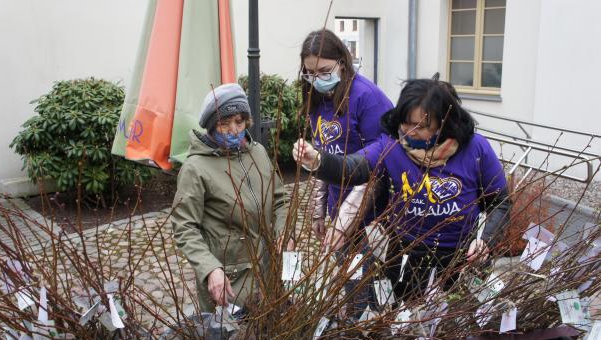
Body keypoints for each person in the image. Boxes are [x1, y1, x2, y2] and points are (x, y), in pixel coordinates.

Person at [293, 76, 511, 300]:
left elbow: (500, 202)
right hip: (406, 257)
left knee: (459, 323)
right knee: (403, 322)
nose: (409, 131)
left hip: (462, 258)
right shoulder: (392, 146)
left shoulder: (475, 148)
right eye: (405, 122)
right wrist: (318, 160)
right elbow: (353, 167)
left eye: (421, 126)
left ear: (444, 122)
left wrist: (486, 240)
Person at [299, 29, 393, 315]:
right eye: (310, 73)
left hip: (371, 215)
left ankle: (370, 328)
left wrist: (345, 221)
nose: (317, 80)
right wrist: (320, 211)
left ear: (342, 61)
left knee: (370, 284)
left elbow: (377, 167)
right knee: (351, 280)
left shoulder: (367, 97)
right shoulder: (317, 99)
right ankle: (358, 322)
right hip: (338, 211)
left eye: (324, 71)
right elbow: (325, 158)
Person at [172, 83, 289, 313]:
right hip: (228, 279)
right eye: (224, 123)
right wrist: (209, 269)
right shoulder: (195, 168)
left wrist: (284, 231)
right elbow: (184, 227)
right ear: (211, 126)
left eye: (239, 121)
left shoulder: (258, 153)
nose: (234, 129)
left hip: (268, 269)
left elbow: (279, 198)